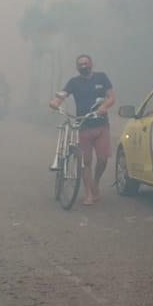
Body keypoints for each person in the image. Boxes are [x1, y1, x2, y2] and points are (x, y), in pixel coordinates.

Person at [50, 54, 116, 206]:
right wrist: (55, 102)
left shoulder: (102, 77)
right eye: (80, 64)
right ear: (77, 67)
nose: (83, 66)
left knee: (103, 159)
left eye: (86, 63)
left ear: (91, 63)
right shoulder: (74, 82)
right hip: (83, 126)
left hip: (101, 125)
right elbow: (63, 94)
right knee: (85, 162)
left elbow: (111, 97)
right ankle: (89, 195)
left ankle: (95, 183)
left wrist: (104, 107)